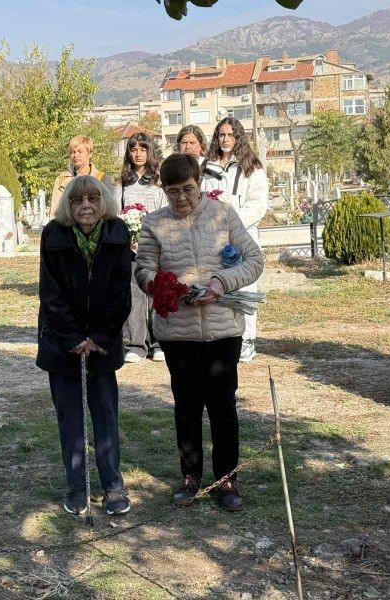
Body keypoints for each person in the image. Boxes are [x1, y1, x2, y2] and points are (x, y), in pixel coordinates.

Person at [135, 153, 263, 511]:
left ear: (199, 184)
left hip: (223, 330)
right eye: (173, 191)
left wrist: (222, 282)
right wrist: (166, 287)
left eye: (188, 189)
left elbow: (254, 260)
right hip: (178, 332)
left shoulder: (224, 215)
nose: (181, 198)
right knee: (187, 406)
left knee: (223, 407)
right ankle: (191, 476)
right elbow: (143, 271)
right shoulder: (154, 223)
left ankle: (227, 479)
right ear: (164, 190)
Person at [37, 175, 133, 516]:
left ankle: (113, 486)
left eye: (92, 198)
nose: (86, 206)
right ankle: (77, 487)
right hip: (63, 344)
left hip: (102, 345)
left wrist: (100, 338)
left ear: (103, 201)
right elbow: (50, 293)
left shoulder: (117, 233)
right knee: (71, 421)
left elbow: (121, 294)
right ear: (68, 205)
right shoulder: (53, 235)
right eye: (77, 201)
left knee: (105, 416)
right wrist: (74, 338)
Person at [201, 117, 269, 362]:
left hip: (243, 236)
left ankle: (247, 339)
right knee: (217, 284)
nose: (225, 139)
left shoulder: (252, 168)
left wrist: (232, 221)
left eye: (230, 135)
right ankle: (223, 337)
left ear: (239, 137)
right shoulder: (207, 167)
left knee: (245, 286)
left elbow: (258, 205)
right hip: (213, 236)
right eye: (221, 134)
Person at [113, 132, 166, 364]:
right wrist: (129, 237)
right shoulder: (123, 182)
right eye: (133, 149)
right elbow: (116, 212)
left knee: (156, 293)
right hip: (131, 248)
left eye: (143, 149)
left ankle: (158, 342)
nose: (138, 154)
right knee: (134, 295)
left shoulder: (159, 180)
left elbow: (165, 210)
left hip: (156, 245)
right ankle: (137, 344)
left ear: (149, 151)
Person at [50, 135, 114, 217]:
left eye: (80, 152)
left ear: (90, 154)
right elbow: (55, 212)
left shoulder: (102, 179)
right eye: (73, 152)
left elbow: (109, 211)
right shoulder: (61, 180)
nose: (75, 155)